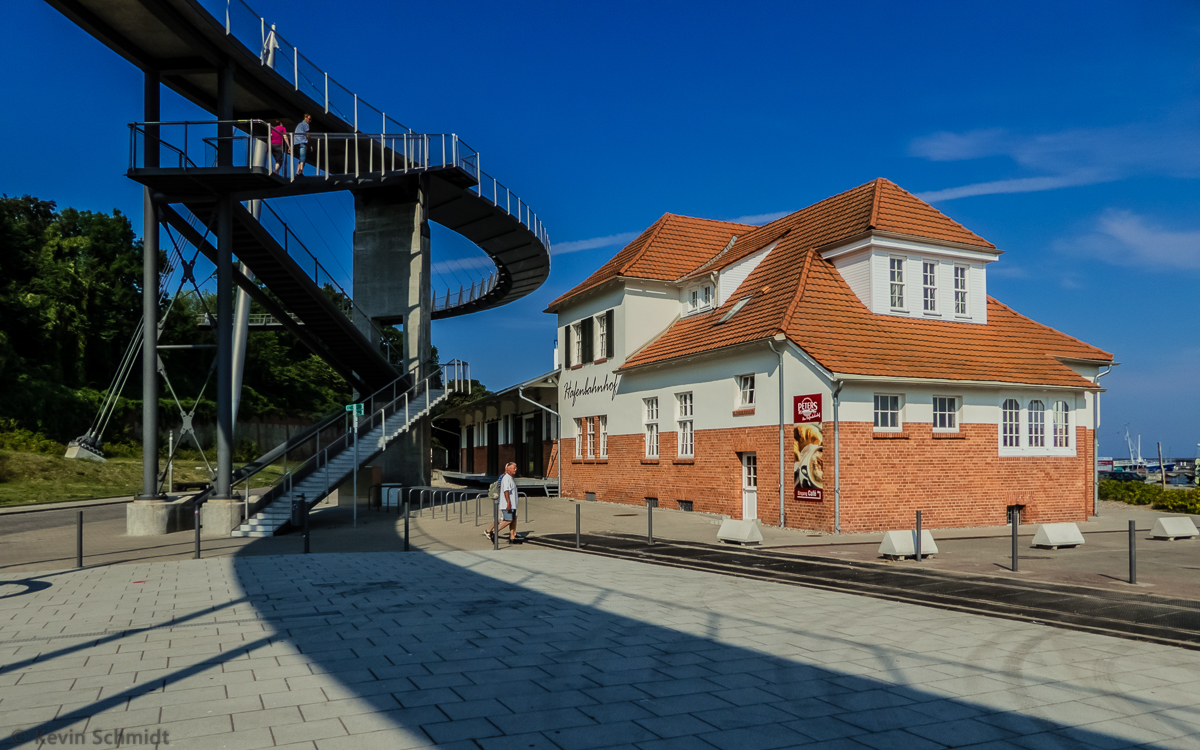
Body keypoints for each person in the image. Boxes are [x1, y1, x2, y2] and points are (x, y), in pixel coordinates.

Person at [484, 461, 519, 544]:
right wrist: (509, 503)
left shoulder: (510, 478)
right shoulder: (506, 478)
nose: (516, 469)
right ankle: (494, 532)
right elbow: (506, 491)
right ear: (508, 469)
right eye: (514, 468)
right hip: (507, 504)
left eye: (516, 467)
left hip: (512, 504)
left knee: (514, 519)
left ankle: (512, 538)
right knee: (508, 520)